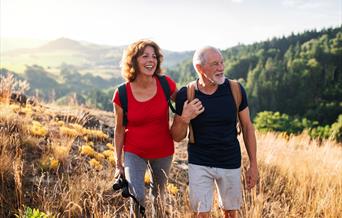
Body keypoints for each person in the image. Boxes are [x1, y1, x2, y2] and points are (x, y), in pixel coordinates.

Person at [112, 39, 201, 218]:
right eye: (145, 56)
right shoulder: (121, 93)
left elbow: (185, 101)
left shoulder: (165, 84)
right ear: (134, 61)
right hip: (134, 152)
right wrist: (118, 163)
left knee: (158, 197)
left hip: (163, 151)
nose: (150, 60)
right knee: (136, 197)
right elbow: (119, 130)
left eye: (154, 56)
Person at [170, 46, 259, 218]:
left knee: (230, 213)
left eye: (221, 63)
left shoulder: (235, 90)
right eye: (215, 64)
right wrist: (185, 117)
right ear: (199, 68)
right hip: (199, 162)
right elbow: (176, 136)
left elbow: (247, 126)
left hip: (230, 161)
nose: (221, 68)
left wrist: (253, 165)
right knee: (201, 214)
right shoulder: (186, 94)